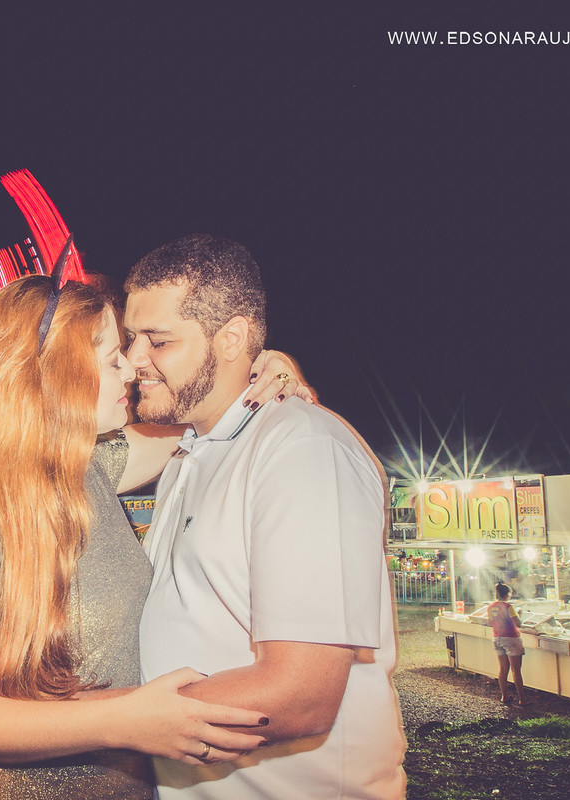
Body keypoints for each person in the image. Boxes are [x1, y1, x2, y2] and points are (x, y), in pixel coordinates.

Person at [0, 272, 300, 800]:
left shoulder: (94, 468)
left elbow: (208, 413)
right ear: (56, 374)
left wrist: (264, 366)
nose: (132, 369)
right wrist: (124, 720)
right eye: (113, 358)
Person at [126, 234, 405, 799]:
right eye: (132, 339)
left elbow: (300, 695)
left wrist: (107, 720)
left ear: (232, 338)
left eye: (158, 340)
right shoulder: (187, 452)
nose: (134, 359)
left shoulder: (301, 448)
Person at [487, 583, 528, 706]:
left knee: (503, 669)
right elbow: (518, 623)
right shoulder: (508, 606)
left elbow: (490, 622)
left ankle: (504, 696)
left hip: (497, 638)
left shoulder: (491, 606)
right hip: (511, 639)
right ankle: (522, 699)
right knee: (516, 671)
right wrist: (519, 614)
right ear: (507, 594)